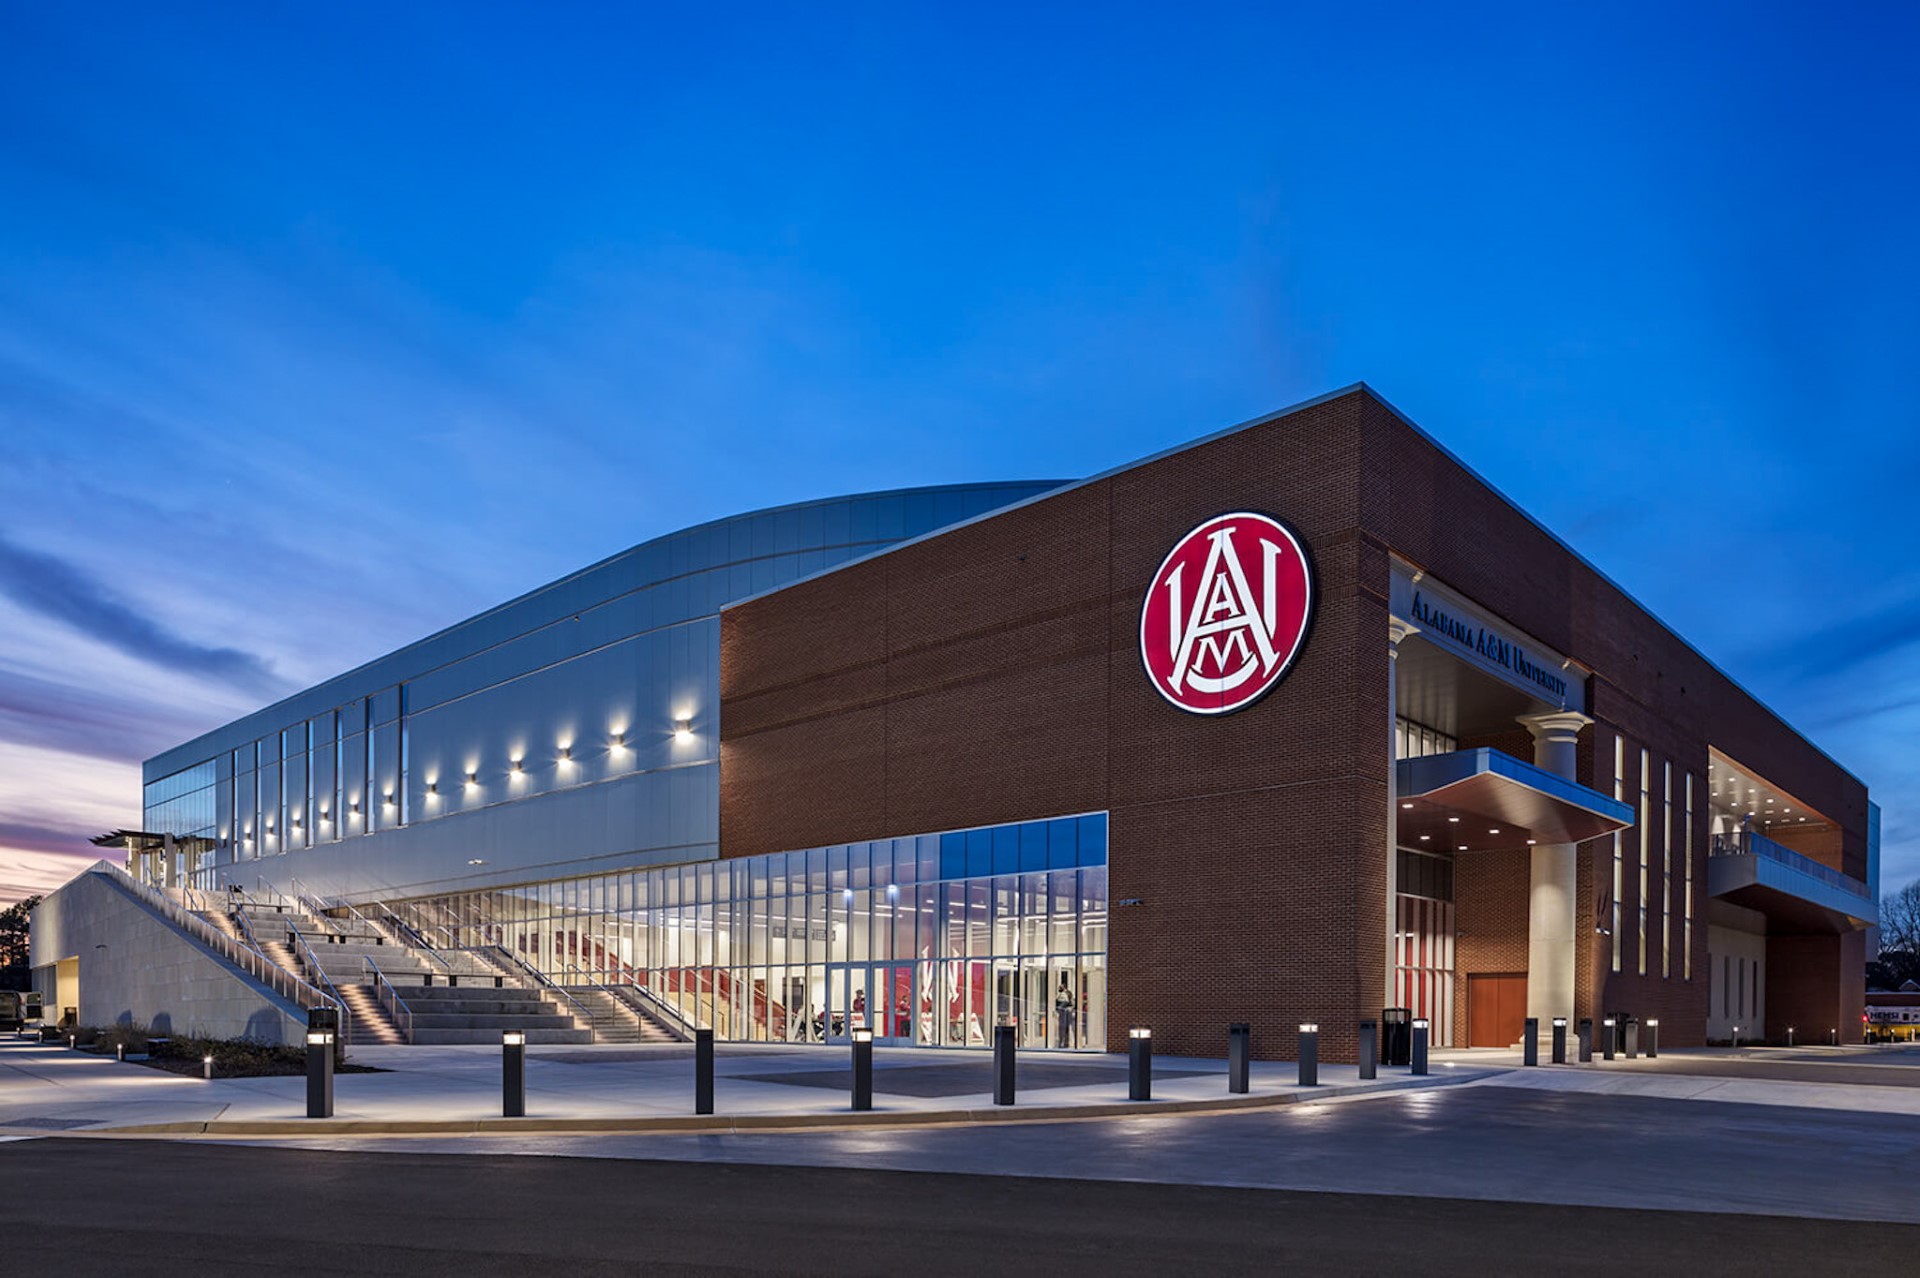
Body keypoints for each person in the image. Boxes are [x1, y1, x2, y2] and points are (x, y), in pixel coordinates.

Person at [1054, 976, 1076, 1048]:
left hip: (1067, 1013)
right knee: (1061, 1028)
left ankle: (1066, 1042)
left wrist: (1070, 1008)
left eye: (1061, 986)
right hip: (1061, 1013)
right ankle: (1061, 1042)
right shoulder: (1058, 994)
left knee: (1066, 1028)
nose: (1059, 988)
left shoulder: (1068, 993)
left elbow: (1072, 1003)